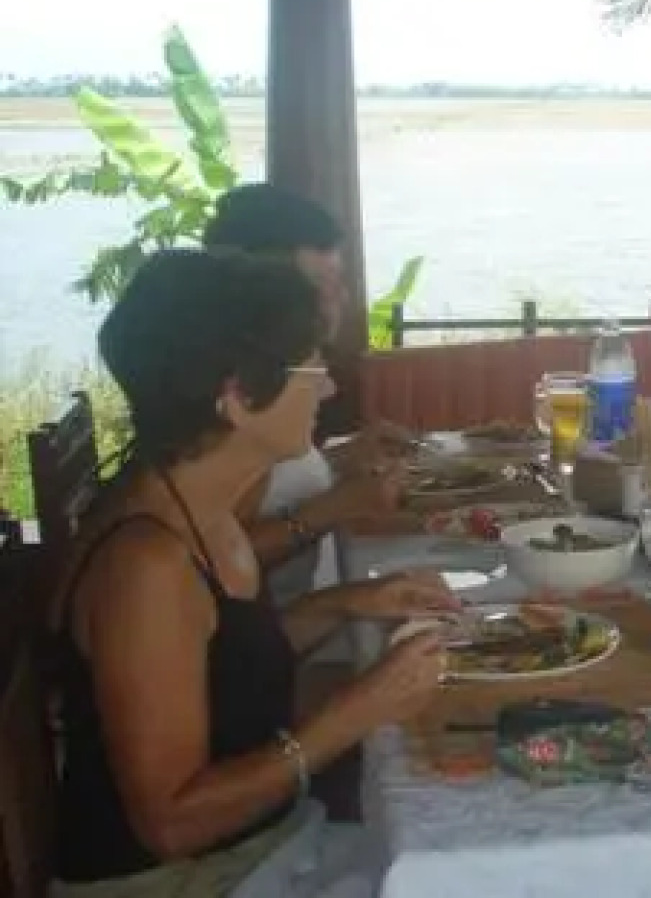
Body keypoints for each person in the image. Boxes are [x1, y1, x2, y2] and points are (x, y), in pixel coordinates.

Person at [48, 250, 455, 894]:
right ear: (236, 395)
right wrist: (358, 709)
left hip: (263, 848)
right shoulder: (146, 564)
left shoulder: (201, 505)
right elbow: (170, 826)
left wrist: (348, 603)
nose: (329, 385)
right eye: (310, 364)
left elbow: (221, 667)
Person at [203, 183, 410, 605]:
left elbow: (270, 492)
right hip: (283, 636)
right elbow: (210, 561)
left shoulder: (255, 386)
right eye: (322, 281)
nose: (341, 297)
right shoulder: (238, 398)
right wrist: (333, 508)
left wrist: (340, 459)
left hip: (298, 617)